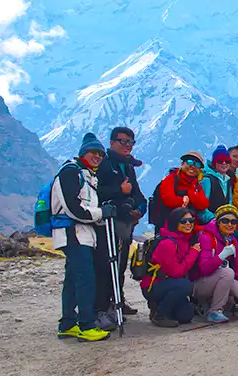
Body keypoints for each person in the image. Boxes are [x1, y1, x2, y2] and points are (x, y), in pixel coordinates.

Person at [52, 133, 112, 342]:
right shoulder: (70, 172)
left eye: (101, 154)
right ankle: (86, 325)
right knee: (85, 278)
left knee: (72, 279)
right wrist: (100, 214)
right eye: (93, 152)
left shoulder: (86, 175)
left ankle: (68, 323)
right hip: (73, 234)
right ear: (83, 153)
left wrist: (100, 214)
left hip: (81, 235)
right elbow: (73, 209)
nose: (97, 156)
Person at [94, 126, 146, 325]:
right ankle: (106, 305)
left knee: (121, 263)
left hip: (125, 223)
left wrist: (139, 209)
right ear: (111, 143)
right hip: (109, 225)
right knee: (109, 264)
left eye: (130, 142)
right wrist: (120, 190)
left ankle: (118, 299)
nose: (127, 146)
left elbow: (137, 193)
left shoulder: (127, 166)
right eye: (123, 141)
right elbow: (98, 192)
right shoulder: (105, 165)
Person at [191, 205, 238, 323]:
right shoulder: (206, 237)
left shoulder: (232, 239)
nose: (230, 224)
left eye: (233, 222)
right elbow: (204, 269)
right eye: (225, 221)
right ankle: (214, 311)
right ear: (218, 222)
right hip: (200, 283)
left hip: (219, 278)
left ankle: (221, 302)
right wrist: (221, 256)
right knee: (227, 272)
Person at [141, 207, 200, 328]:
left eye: (191, 221)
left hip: (169, 284)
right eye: (183, 221)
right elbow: (176, 272)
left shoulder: (185, 239)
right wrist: (193, 252)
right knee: (185, 285)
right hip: (154, 285)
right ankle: (160, 315)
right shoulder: (168, 243)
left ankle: (158, 305)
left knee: (185, 316)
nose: (188, 224)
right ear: (175, 223)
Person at [156, 151, 211, 227]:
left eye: (197, 165)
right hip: (169, 225)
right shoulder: (171, 179)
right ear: (182, 164)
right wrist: (185, 200)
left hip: (190, 225)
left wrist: (188, 194)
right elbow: (168, 200)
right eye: (189, 162)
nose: (193, 166)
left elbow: (204, 204)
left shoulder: (196, 184)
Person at [200, 145, 232, 212]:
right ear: (214, 163)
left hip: (225, 220)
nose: (224, 163)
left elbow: (230, 203)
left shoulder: (228, 180)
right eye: (220, 161)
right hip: (210, 220)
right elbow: (202, 206)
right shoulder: (207, 179)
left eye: (227, 161)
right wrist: (212, 219)